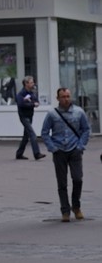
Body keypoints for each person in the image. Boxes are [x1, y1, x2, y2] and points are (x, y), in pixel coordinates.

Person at [40, 87, 91, 221]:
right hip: (59, 150)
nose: (66, 99)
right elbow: (44, 132)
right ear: (58, 98)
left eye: (68, 96)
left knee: (78, 179)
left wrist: (80, 146)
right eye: (63, 97)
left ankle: (76, 206)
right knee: (62, 183)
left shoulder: (79, 112)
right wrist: (52, 148)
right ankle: (65, 210)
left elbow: (86, 130)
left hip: (75, 149)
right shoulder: (52, 114)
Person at [14, 75, 42, 160]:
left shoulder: (31, 93)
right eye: (31, 82)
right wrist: (32, 104)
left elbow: (36, 101)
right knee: (32, 134)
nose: (33, 84)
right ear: (26, 83)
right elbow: (21, 104)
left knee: (26, 137)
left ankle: (19, 153)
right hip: (24, 116)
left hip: (30, 116)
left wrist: (33, 103)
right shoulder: (21, 94)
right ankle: (37, 153)